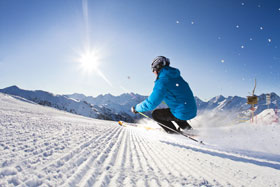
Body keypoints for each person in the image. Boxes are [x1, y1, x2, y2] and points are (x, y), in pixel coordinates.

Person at [131, 56, 197, 133]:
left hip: (182, 112)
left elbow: (151, 103)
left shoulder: (162, 81)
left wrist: (136, 109)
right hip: (191, 110)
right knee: (175, 111)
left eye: (153, 70)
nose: (153, 72)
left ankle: (173, 132)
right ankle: (188, 129)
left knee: (156, 114)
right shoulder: (177, 77)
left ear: (157, 68)